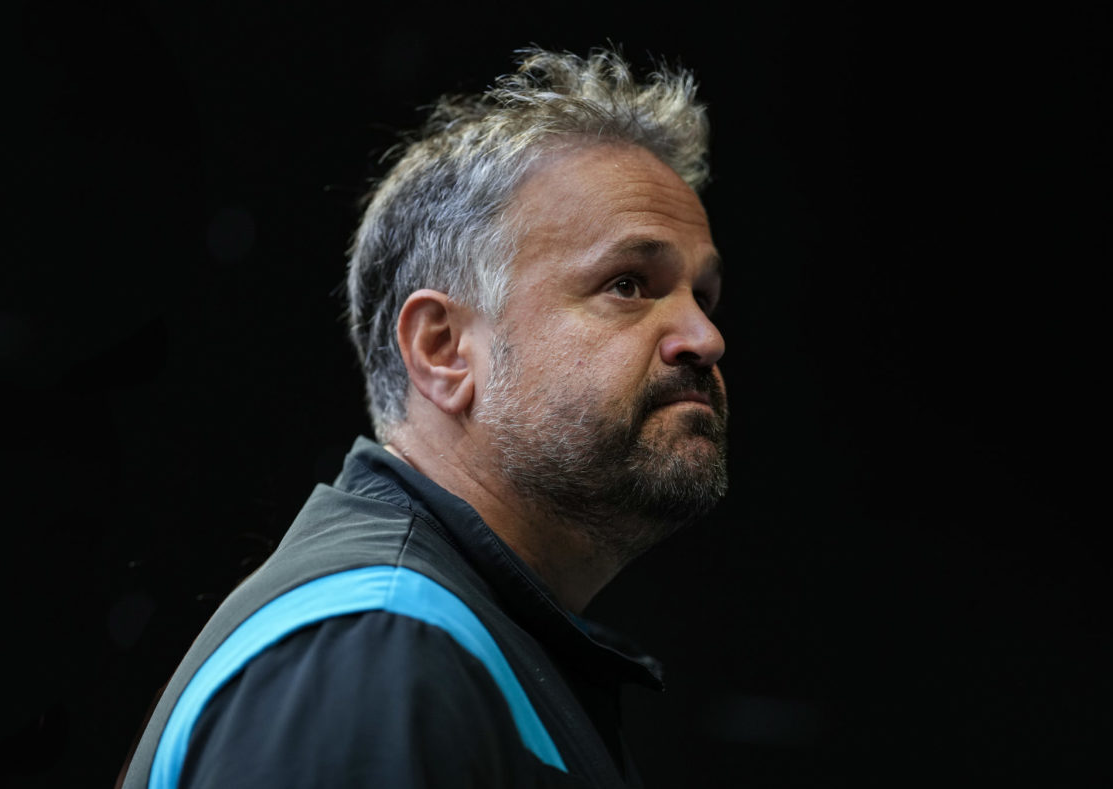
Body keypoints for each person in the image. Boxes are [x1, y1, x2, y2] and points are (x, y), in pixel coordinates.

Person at [119, 46, 728, 788]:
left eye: (704, 296)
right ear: (442, 349)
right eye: (629, 283)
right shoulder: (377, 649)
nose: (705, 337)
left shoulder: (452, 643)